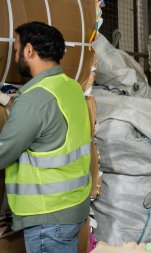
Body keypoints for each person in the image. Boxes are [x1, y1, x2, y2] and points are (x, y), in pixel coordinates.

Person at [0, 21, 91, 253]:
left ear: (29, 50)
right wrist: (11, 102)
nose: (16, 54)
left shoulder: (35, 99)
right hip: (73, 206)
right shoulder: (70, 87)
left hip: (48, 217)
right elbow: (47, 126)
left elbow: (3, 152)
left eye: (18, 49)